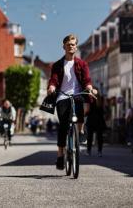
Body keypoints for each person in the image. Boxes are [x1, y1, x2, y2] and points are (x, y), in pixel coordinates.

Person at [47, 34, 95, 170]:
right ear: (64, 47)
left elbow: (86, 79)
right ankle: (60, 155)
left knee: (80, 108)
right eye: (68, 45)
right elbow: (54, 79)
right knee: (63, 125)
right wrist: (52, 87)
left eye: (73, 44)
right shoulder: (57, 65)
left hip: (77, 94)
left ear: (76, 46)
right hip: (62, 96)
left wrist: (90, 88)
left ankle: (80, 131)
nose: (71, 46)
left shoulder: (82, 64)